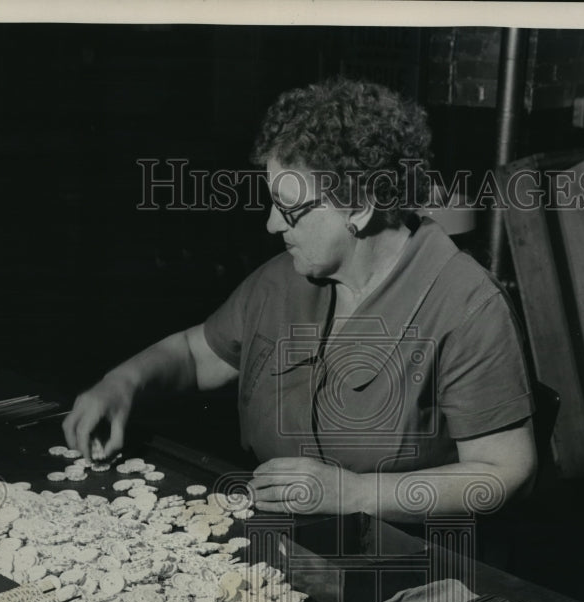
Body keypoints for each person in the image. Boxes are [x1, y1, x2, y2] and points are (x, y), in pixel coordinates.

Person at [63, 78, 537, 521]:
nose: (272, 224)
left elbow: (504, 471)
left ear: (359, 207)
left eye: (289, 209)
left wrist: (354, 493)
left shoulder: (466, 305)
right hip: (284, 537)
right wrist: (123, 382)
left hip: (408, 560)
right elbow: (193, 353)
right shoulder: (286, 279)